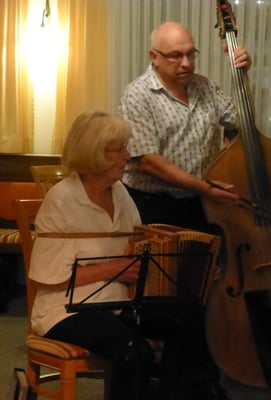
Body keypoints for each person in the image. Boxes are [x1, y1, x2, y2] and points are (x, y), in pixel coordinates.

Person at [29, 111, 230, 400]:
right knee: (132, 349)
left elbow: (139, 252)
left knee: (188, 318)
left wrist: (195, 270)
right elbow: (46, 278)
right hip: (65, 311)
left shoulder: (120, 193)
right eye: (120, 149)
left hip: (119, 302)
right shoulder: (61, 200)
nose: (127, 156)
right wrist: (115, 269)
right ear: (94, 152)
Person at [119, 21, 252, 232]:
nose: (186, 63)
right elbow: (148, 162)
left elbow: (242, 121)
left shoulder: (205, 87)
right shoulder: (137, 95)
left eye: (191, 54)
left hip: (201, 204)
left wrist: (242, 75)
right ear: (154, 57)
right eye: (176, 56)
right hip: (152, 206)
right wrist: (206, 188)